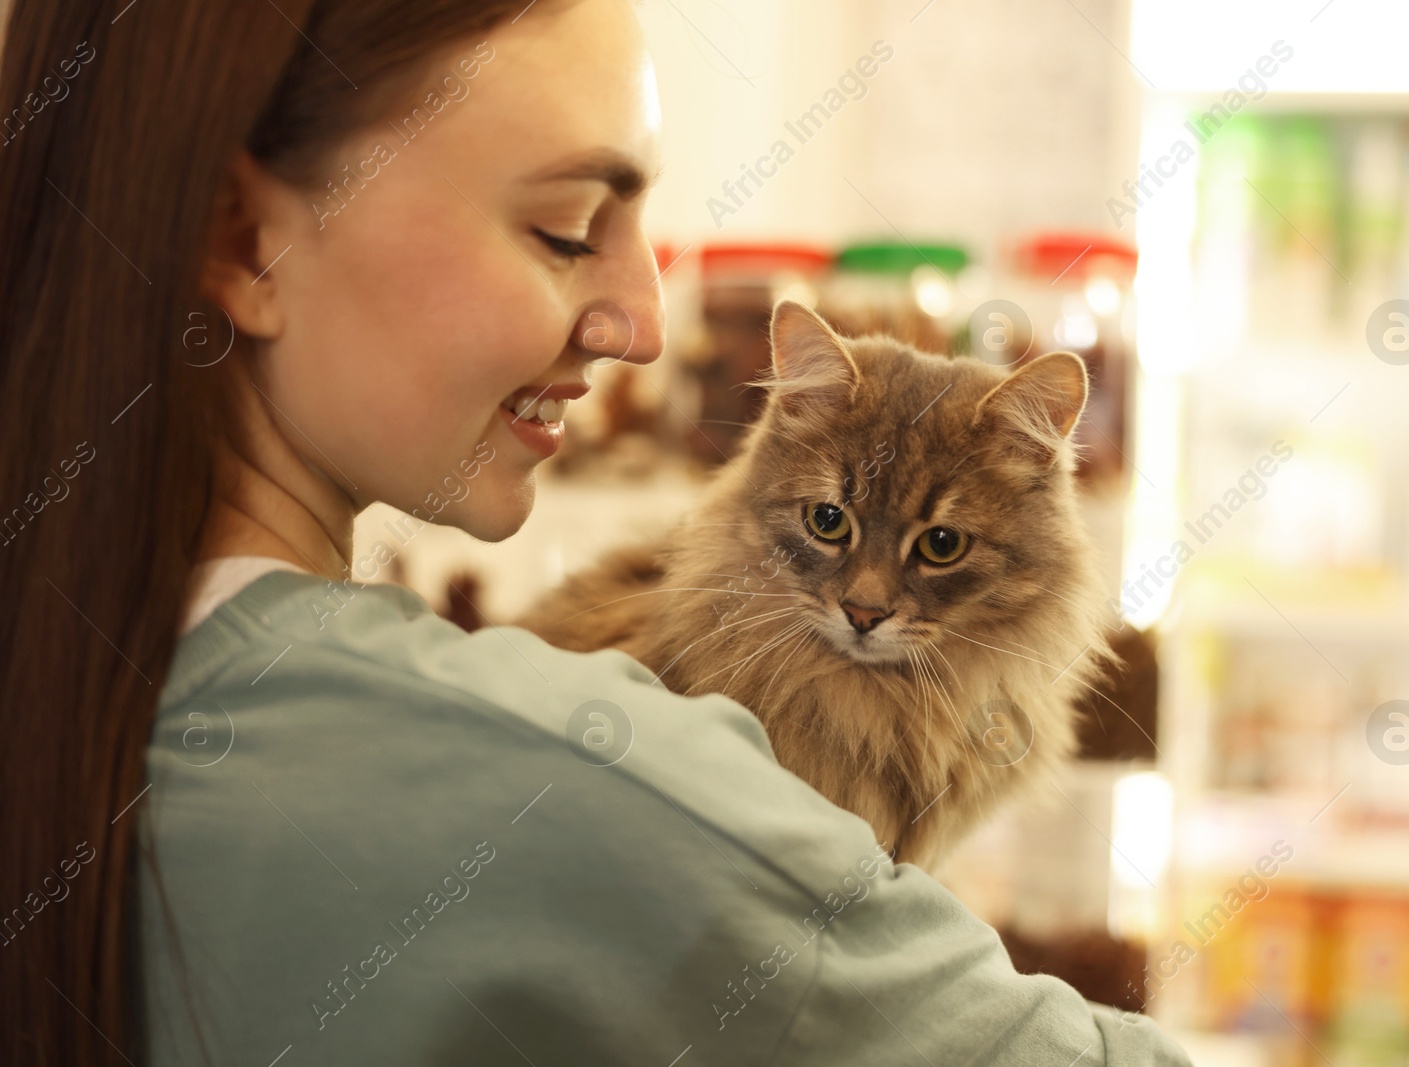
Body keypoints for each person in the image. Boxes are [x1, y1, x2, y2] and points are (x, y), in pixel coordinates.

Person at [0, 1, 1197, 1064]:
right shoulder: (581, 772)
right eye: (568, 228)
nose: (639, 319)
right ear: (241, 238)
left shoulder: (76, 694)